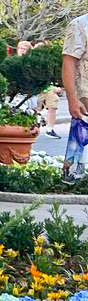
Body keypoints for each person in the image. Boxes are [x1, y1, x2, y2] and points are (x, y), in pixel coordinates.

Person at [64, 16, 88, 181]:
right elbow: (68, 62)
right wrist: (72, 98)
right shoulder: (80, 25)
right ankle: (74, 180)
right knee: (79, 142)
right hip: (86, 96)